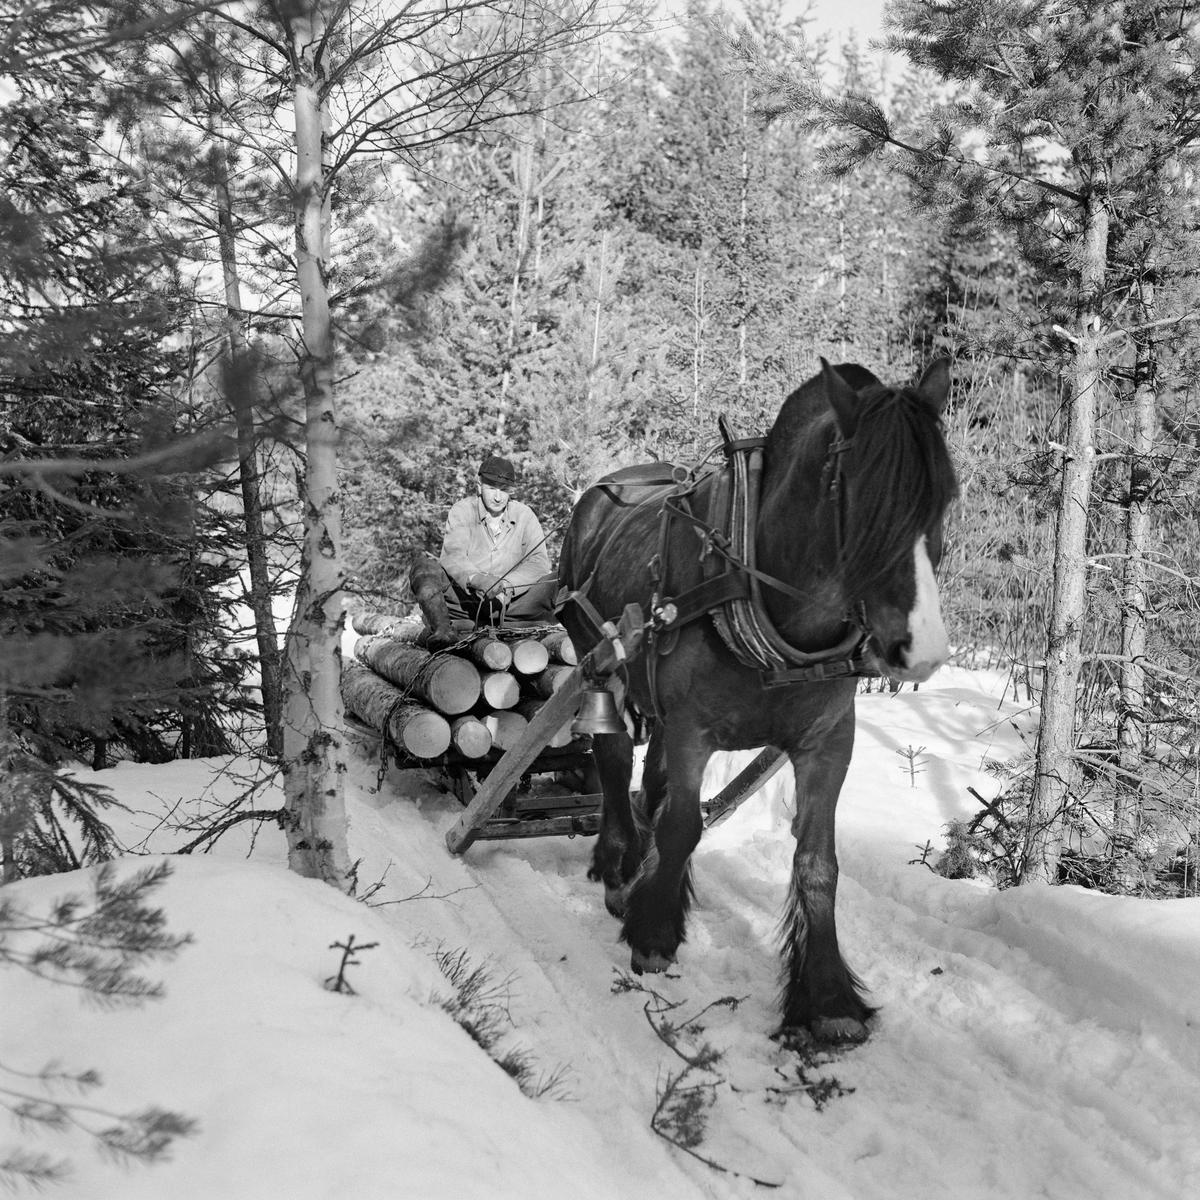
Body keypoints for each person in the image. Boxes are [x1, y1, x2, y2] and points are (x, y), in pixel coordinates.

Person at [409, 455, 558, 648]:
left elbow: (538, 562)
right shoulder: (462, 510)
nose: (498, 496)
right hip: (464, 605)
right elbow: (454, 555)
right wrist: (476, 579)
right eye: (492, 488)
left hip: (513, 606)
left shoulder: (525, 515)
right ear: (479, 486)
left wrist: (507, 584)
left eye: (504, 490)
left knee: (564, 578)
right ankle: (443, 631)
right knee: (423, 567)